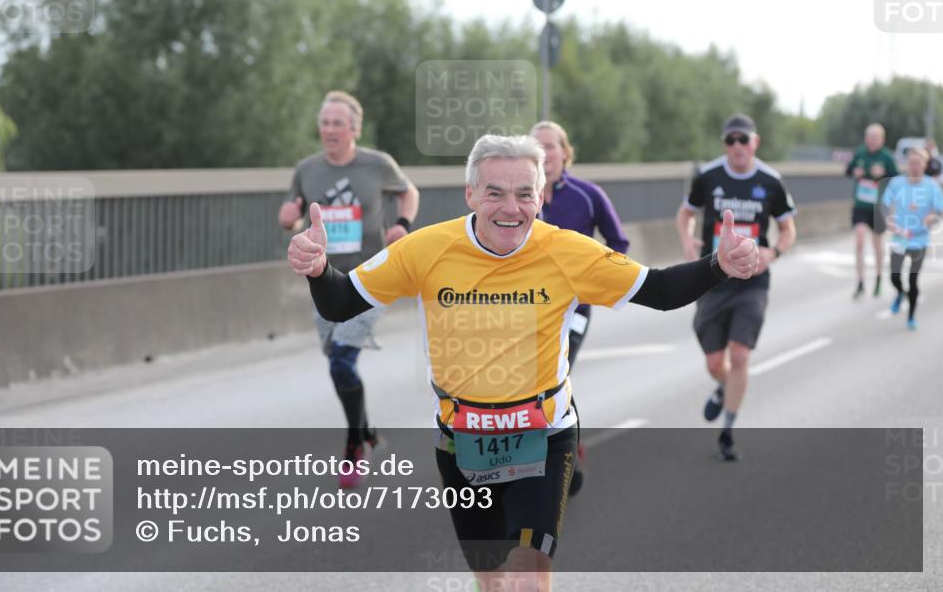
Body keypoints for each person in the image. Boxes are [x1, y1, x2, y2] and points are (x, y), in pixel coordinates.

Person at [288, 134, 759, 590]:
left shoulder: (567, 250)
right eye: (494, 193)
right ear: (471, 194)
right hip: (461, 442)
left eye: (524, 194)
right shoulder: (426, 249)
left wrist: (719, 265)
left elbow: (657, 290)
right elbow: (340, 302)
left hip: (544, 437)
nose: (511, 208)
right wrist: (317, 270)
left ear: (540, 198)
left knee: (529, 577)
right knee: (492, 579)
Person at [279, 90, 419, 488]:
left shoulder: (377, 165)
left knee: (342, 361)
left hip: (370, 278)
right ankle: (369, 432)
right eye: (325, 123)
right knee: (337, 363)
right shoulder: (307, 169)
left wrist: (403, 225)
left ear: (354, 128)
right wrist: (288, 218)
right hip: (322, 279)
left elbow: (410, 192)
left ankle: (355, 446)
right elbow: (293, 212)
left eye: (338, 123)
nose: (330, 130)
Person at [676, 114, 797, 461]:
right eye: (731, 140)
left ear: (755, 142)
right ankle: (722, 386)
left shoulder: (770, 182)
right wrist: (687, 239)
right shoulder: (709, 177)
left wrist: (773, 252)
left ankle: (727, 432)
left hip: (752, 282)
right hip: (712, 278)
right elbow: (685, 214)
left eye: (744, 139)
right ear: (724, 144)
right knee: (716, 361)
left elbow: (789, 229)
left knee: (740, 354)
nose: (738, 146)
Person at [530, 120, 629, 497]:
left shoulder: (588, 195)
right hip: (529, 305)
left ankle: (566, 455)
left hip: (575, 306)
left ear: (564, 153)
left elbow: (618, 242)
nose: (543, 153)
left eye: (550, 146)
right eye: (535, 146)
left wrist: (600, 278)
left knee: (555, 371)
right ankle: (553, 447)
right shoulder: (520, 196)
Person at [881, 146, 943, 330]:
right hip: (900, 238)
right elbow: (884, 206)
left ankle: (911, 316)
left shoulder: (931, 186)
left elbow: (940, 211)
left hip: (919, 239)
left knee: (913, 280)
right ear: (906, 164)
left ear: (924, 164)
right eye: (912, 162)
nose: (915, 166)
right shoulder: (896, 183)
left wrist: (933, 217)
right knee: (894, 276)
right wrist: (889, 221)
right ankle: (900, 293)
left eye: (919, 162)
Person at [846, 123, 898, 298]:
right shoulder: (860, 153)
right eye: (870, 137)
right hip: (860, 206)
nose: (873, 141)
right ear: (866, 138)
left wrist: (883, 173)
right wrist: (855, 171)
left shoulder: (887, 156)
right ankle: (860, 282)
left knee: (877, 244)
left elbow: (896, 178)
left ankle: (878, 278)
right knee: (860, 239)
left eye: (876, 138)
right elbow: (847, 170)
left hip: (878, 208)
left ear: (882, 139)